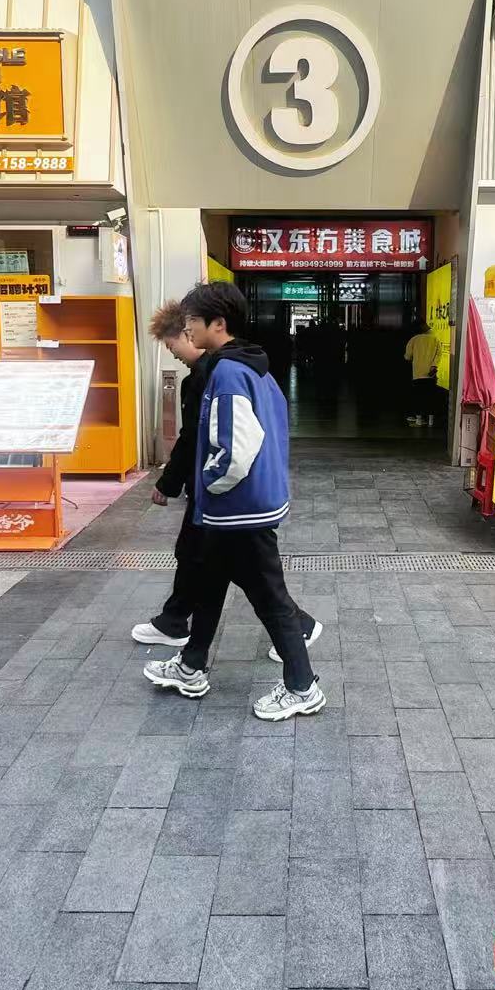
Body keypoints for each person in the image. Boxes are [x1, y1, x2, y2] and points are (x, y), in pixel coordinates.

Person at [144, 282, 325, 721]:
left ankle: (302, 687)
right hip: (246, 506)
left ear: (218, 324)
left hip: (238, 509)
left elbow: (233, 451)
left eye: (192, 321)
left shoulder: (226, 372)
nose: (187, 329)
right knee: (210, 583)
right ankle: (191, 665)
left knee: (270, 599)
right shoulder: (254, 365)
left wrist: (210, 486)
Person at [131, 300, 211, 648]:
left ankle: (297, 625)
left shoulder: (206, 377)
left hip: (213, 487)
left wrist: (168, 483)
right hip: (211, 486)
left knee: (248, 568)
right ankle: (174, 620)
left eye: (171, 344)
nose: (172, 353)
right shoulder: (207, 374)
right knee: (196, 553)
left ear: (189, 333)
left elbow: (191, 437)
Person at [404, 320, 442, 427]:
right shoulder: (435, 339)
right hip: (431, 374)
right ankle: (430, 422)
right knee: (430, 398)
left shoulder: (414, 339)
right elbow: (439, 355)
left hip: (418, 373)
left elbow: (407, 356)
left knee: (418, 397)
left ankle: (419, 421)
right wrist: (433, 366)